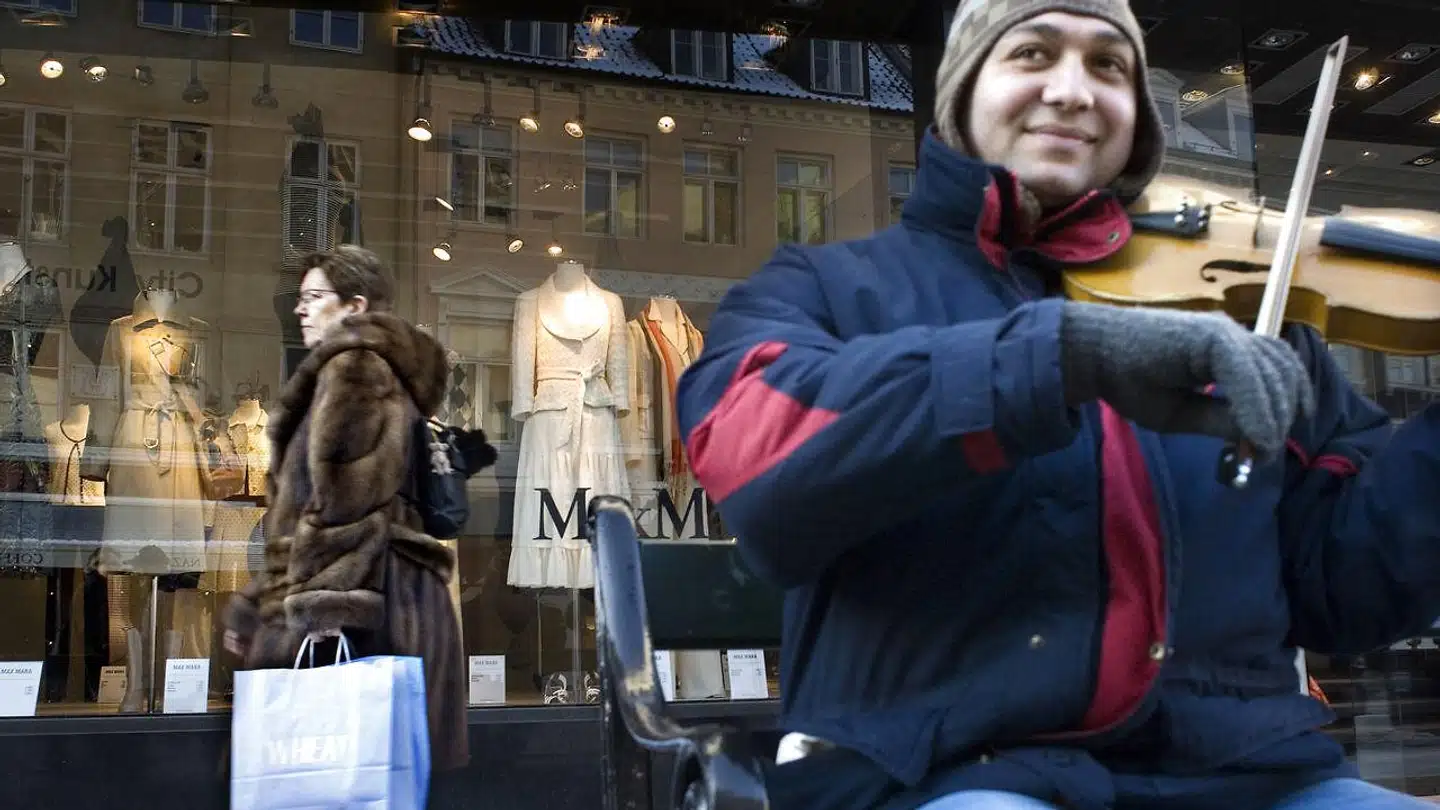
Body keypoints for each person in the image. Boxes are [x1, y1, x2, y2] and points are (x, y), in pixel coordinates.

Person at [673, 2, 1440, 809]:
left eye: (1109, 65)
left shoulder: (1246, 311)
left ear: (1137, 117)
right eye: (1033, 54)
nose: (1073, 91)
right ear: (961, 92)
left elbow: (1345, 592)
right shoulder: (824, 289)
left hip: (1243, 775)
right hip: (939, 772)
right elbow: (755, 460)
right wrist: (1061, 356)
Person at [223, 245, 485, 775]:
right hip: (381, 598)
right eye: (299, 298)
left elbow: (349, 500)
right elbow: (309, 513)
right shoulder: (361, 373)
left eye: (314, 297)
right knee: (360, 780)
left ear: (355, 307)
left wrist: (327, 608)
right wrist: (257, 603)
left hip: (366, 610)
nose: (300, 309)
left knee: (327, 774)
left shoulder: (357, 370)